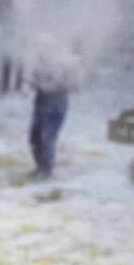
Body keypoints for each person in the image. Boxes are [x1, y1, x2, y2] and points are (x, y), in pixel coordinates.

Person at [28, 49, 79, 181]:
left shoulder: (61, 66)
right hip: (41, 105)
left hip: (55, 106)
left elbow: (69, 85)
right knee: (34, 138)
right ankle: (40, 167)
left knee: (47, 138)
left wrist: (44, 87)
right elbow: (34, 80)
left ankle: (46, 170)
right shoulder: (40, 65)